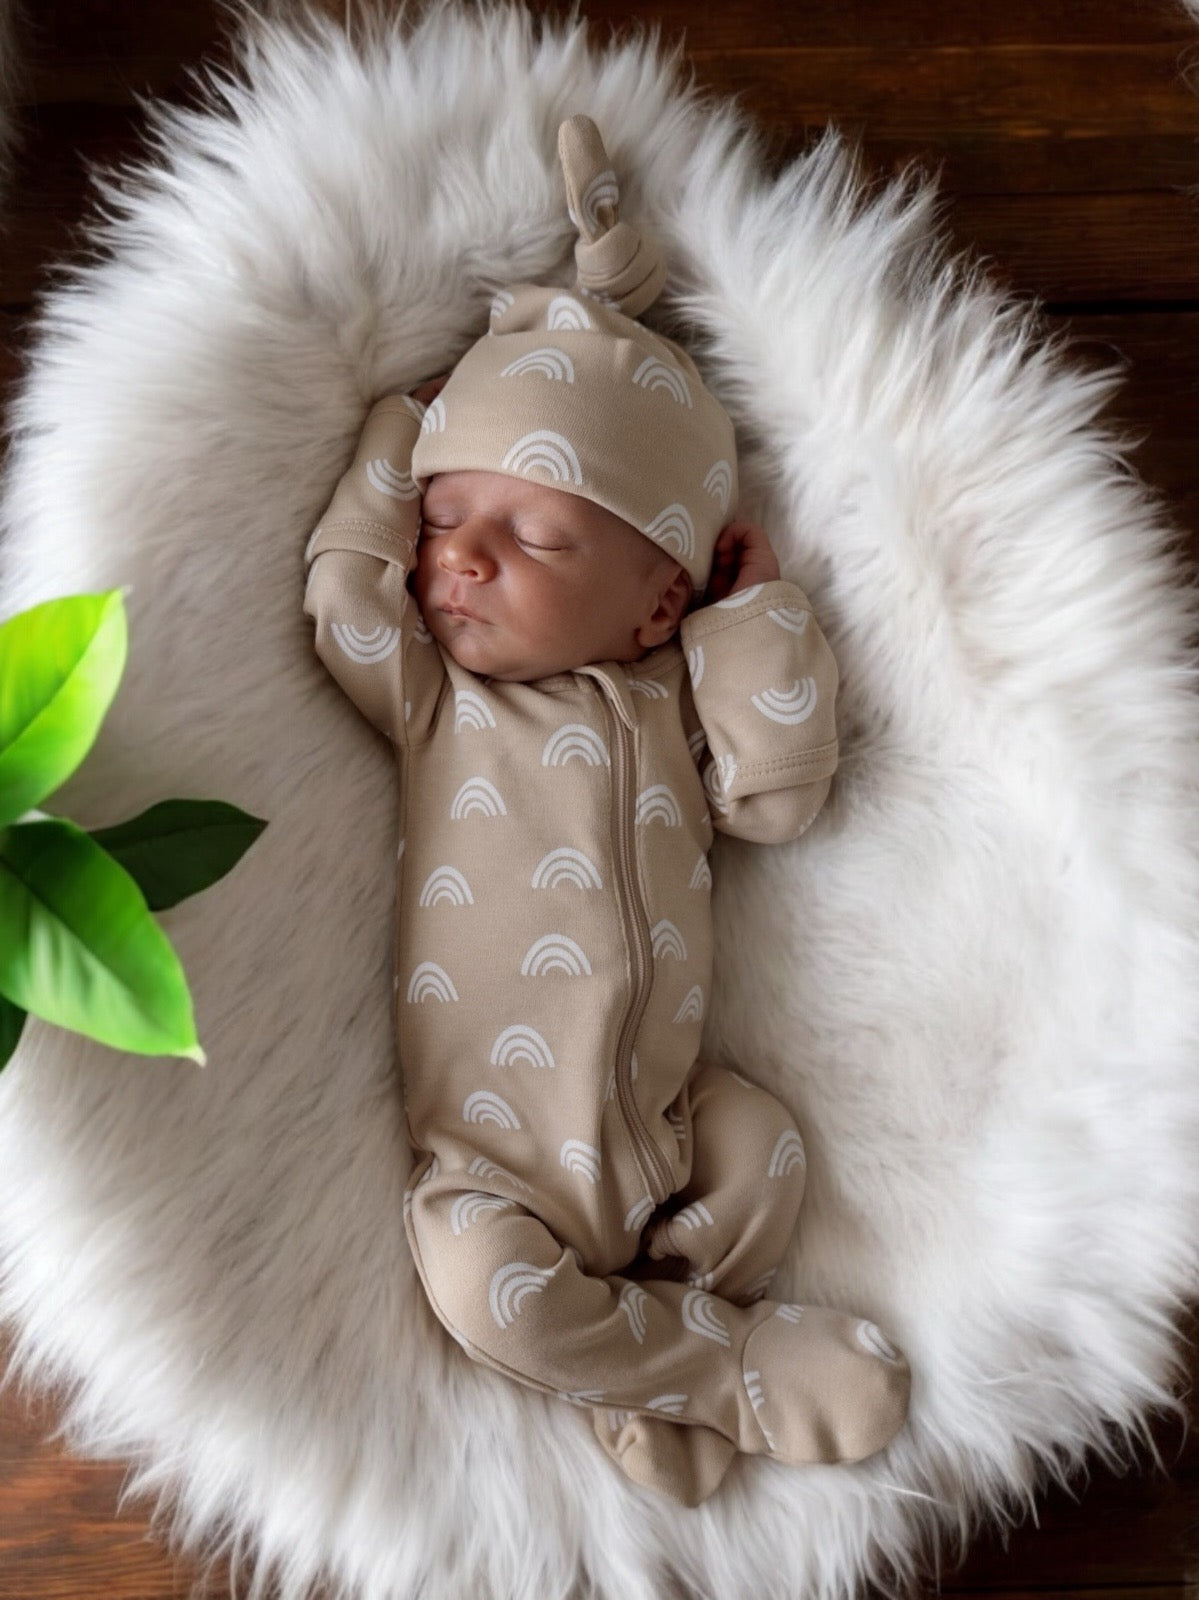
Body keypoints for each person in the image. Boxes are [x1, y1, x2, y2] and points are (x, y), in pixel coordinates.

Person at [301, 113, 909, 1507]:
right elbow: (346, 601)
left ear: (655, 597)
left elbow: (776, 801)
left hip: (671, 1126)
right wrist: (400, 438)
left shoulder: (670, 699)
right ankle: (721, 1370)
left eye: (536, 535)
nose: (459, 555)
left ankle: (648, 1338)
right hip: (492, 1166)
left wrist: (755, 625)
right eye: (449, 519)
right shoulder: (440, 709)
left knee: (769, 1154)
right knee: (483, 1292)